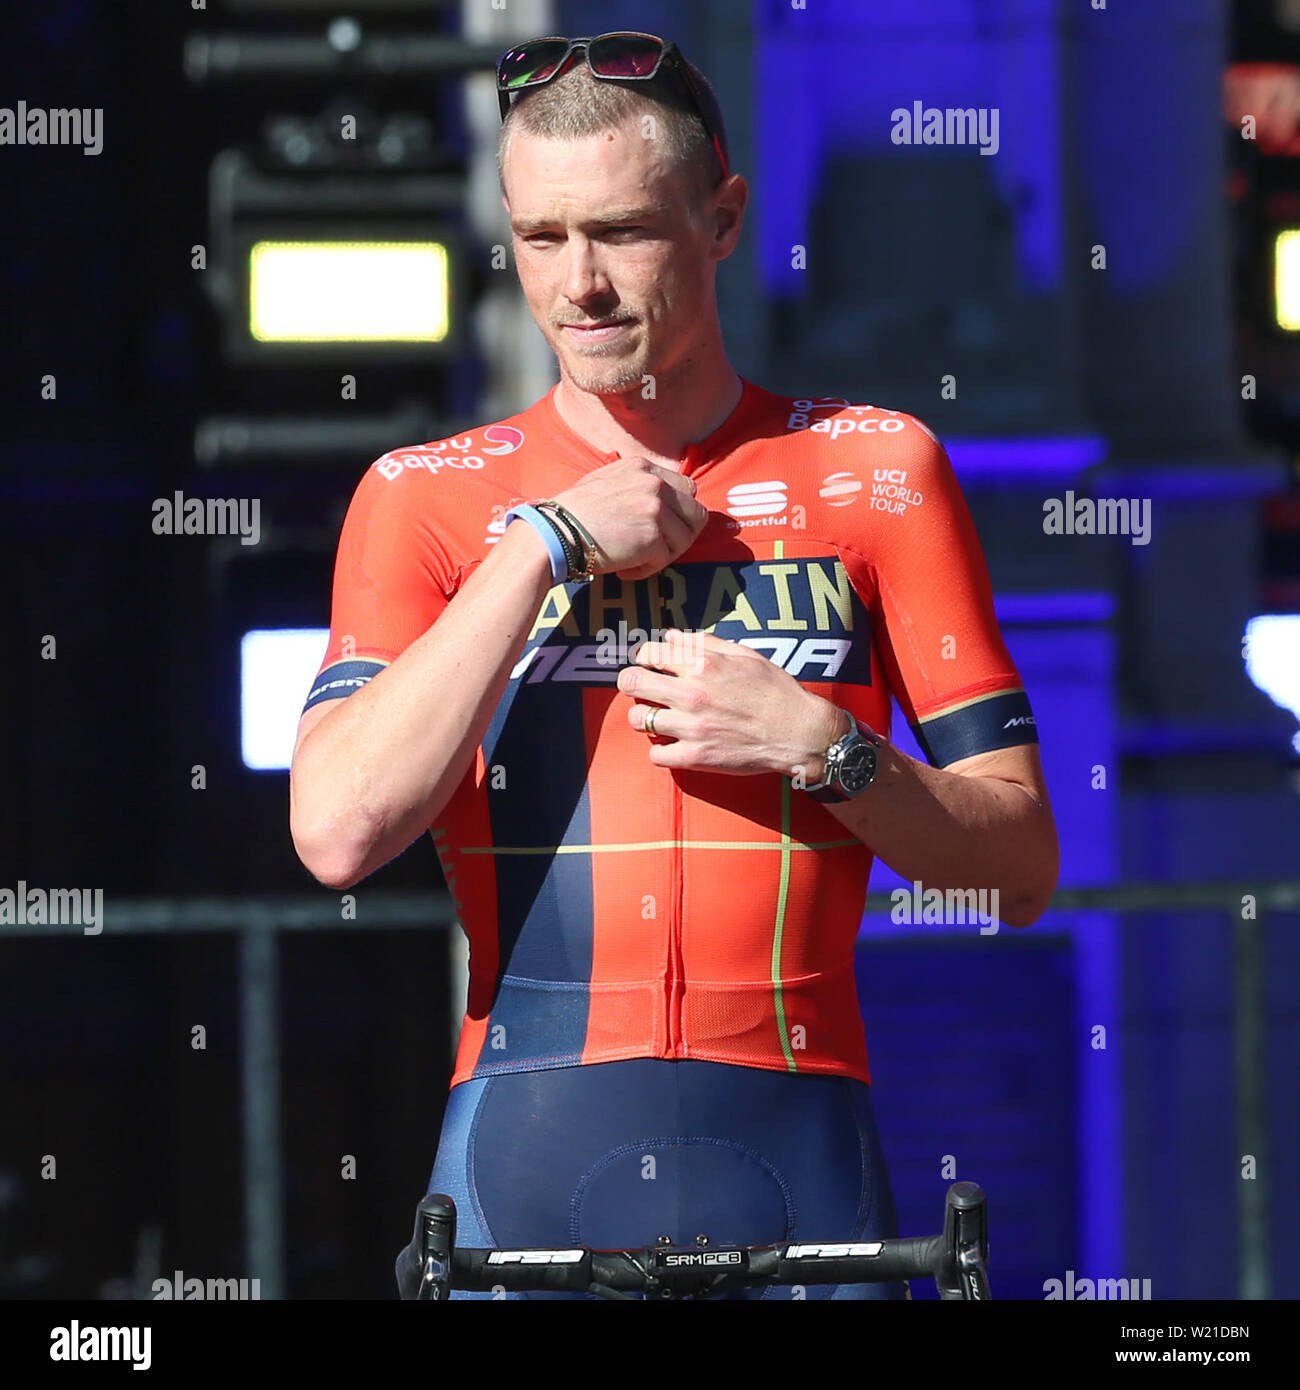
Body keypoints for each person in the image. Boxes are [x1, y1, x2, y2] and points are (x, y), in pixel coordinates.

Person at [289, 32, 1059, 1300]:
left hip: (803, 1157)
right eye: (541, 238)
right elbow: (336, 830)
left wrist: (824, 748)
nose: (579, 284)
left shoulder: (872, 471)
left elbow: (1021, 864)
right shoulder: (425, 499)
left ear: (723, 219)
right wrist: (541, 545)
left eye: (623, 232)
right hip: (524, 1156)